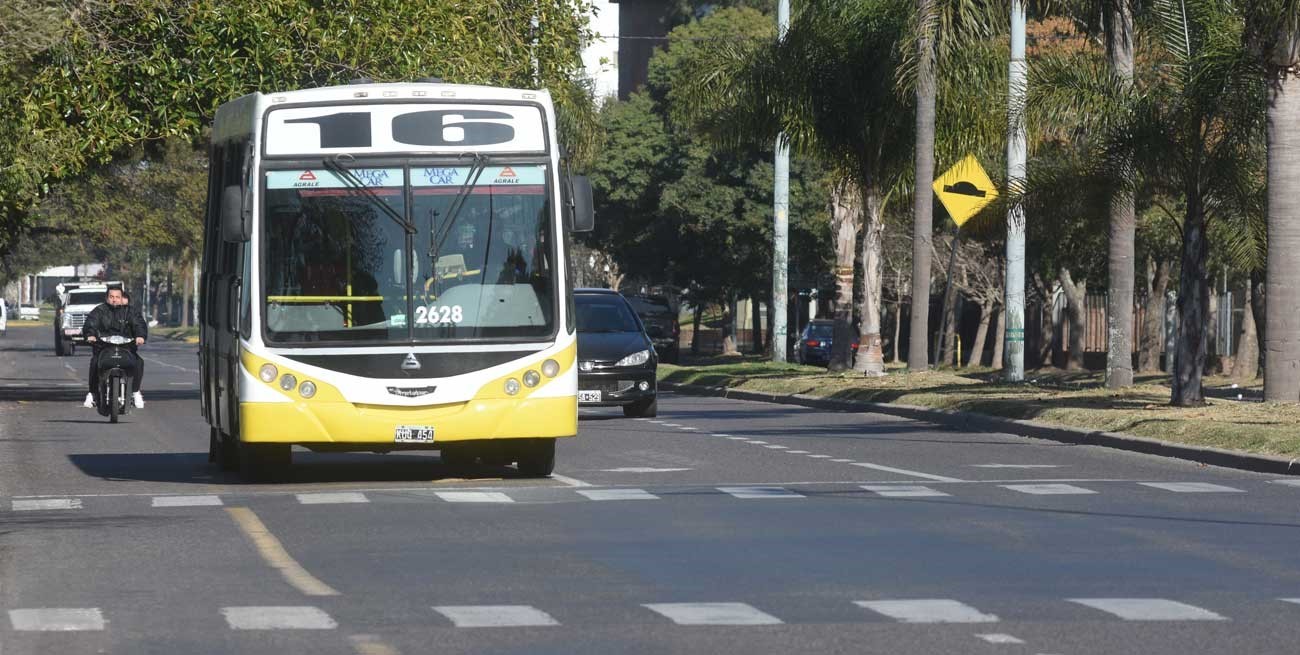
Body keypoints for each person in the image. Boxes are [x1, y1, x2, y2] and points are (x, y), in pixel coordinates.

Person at [82, 288, 147, 409]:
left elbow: (139, 324)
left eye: (117, 297)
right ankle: (92, 393)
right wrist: (90, 335)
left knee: (139, 362)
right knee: (95, 362)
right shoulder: (99, 310)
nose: (114, 299)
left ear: (122, 298)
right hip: (104, 347)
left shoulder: (130, 312)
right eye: (111, 297)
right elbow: (90, 323)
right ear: (107, 298)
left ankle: (135, 392)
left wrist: (140, 336)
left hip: (126, 347)